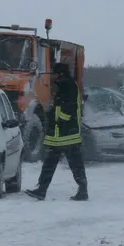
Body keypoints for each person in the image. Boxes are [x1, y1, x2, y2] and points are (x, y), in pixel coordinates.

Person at [26, 62, 88, 201]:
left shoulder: (65, 84)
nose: (53, 77)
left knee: (63, 163)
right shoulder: (69, 84)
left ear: (59, 74)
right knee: (67, 163)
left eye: (54, 74)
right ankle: (43, 189)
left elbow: (69, 107)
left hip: (64, 133)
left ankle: (43, 190)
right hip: (63, 133)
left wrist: (59, 119)